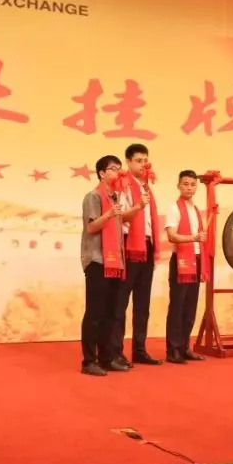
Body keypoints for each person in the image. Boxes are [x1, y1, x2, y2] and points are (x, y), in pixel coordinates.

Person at [79, 155, 130, 376]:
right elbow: (91, 228)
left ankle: (107, 358)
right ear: (101, 173)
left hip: (113, 262)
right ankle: (89, 361)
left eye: (119, 168)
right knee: (95, 313)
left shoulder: (115, 197)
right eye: (113, 169)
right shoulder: (93, 197)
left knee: (110, 312)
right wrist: (109, 214)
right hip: (97, 261)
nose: (118, 173)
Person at [112, 144, 163, 366]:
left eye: (145, 160)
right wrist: (138, 206)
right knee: (120, 302)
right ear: (128, 162)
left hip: (147, 247)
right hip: (129, 246)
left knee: (143, 303)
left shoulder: (147, 188)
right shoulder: (123, 184)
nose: (143, 164)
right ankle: (115, 352)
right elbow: (119, 217)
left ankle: (140, 350)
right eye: (138, 160)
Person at [164, 170, 207, 364]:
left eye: (192, 184)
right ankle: (173, 350)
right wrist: (194, 238)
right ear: (178, 186)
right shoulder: (174, 208)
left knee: (190, 307)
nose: (189, 188)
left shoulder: (195, 210)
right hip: (181, 261)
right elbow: (172, 236)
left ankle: (184, 347)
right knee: (178, 306)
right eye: (185, 184)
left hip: (195, 260)